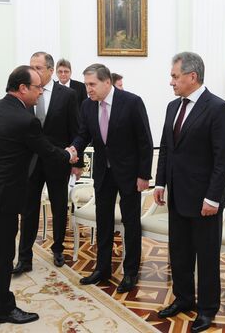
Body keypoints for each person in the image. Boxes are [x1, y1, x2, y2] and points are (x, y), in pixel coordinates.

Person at [0, 65, 75, 324]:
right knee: (3, 254)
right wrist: (68, 155)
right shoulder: (25, 120)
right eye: (37, 89)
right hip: (1, 198)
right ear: (22, 89)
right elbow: (46, 151)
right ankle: (4, 309)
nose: (41, 94)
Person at [154, 52, 225, 333]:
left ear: (192, 76)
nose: (171, 82)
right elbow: (166, 148)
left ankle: (208, 309)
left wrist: (213, 197)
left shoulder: (218, 109)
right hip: (176, 195)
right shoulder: (171, 107)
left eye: (175, 76)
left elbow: (223, 158)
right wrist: (160, 182)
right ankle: (184, 298)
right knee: (179, 252)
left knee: (207, 256)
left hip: (205, 200)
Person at [69, 63, 153, 293]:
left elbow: (145, 141)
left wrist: (144, 175)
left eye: (92, 84)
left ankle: (131, 272)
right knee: (103, 222)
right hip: (103, 175)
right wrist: (74, 149)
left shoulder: (132, 102)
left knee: (130, 223)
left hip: (129, 175)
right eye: (86, 84)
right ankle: (102, 269)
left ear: (107, 82)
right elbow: (83, 134)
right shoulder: (87, 105)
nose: (88, 89)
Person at [13, 52, 81, 273]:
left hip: (58, 162)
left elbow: (75, 129)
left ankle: (58, 248)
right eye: (31, 66)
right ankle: (24, 257)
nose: (33, 71)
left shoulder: (68, 95)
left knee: (59, 207)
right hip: (30, 163)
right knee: (28, 209)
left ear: (51, 70)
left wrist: (75, 161)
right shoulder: (24, 94)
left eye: (38, 67)